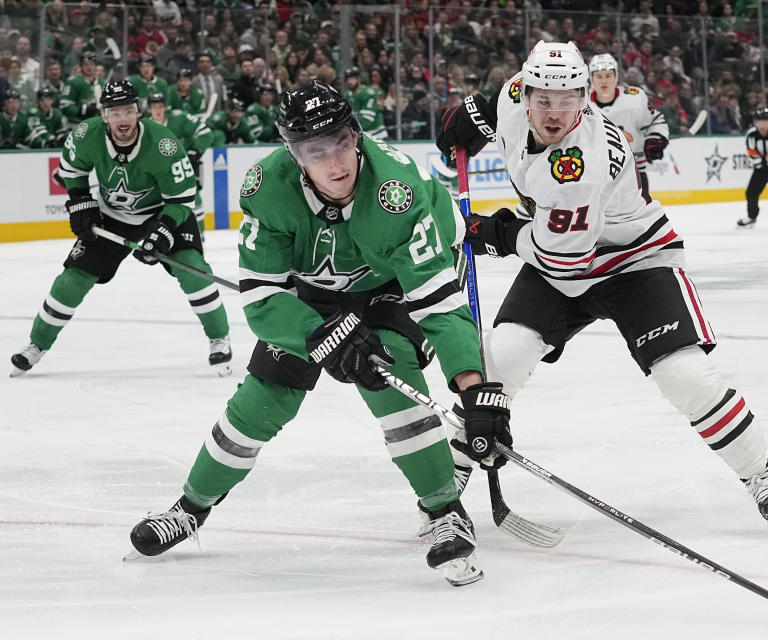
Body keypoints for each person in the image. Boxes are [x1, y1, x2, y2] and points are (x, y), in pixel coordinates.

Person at [125, 81, 508, 587]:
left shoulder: (400, 189)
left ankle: (445, 512)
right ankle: (189, 509)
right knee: (260, 402)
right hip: (311, 299)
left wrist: (473, 387)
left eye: (341, 142)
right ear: (293, 152)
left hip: (391, 287)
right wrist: (317, 333)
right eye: (313, 150)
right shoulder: (268, 187)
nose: (334, 163)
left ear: (356, 135)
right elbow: (262, 297)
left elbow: (438, 302)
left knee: (391, 373)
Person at [436, 41, 768, 532]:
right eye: (542, 97)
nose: (552, 111)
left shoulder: (579, 167)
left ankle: (759, 473)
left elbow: (563, 263)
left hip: (636, 260)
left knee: (685, 374)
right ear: (525, 91)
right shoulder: (514, 96)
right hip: (558, 247)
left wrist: (498, 233)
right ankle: (443, 494)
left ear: (585, 97)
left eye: (566, 100)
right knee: (497, 359)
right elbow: (492, 105)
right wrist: (470, 116)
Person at [10, 81, 232, 377]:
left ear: (138, 112)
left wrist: (163, 230)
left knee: (192, 268)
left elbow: (182, 199)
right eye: (115, 113)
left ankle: (219, 338)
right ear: (104, 116)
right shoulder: (85, 135)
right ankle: (36, 344)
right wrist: (80, 202)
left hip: (163, 213)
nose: (122, 119)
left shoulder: (163, 144)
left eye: (127, 111)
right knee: (72, 278)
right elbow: (71, 171)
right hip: (113, 216)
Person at [587, 53, 669, 202]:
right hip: (594, 177)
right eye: (598, 76)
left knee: (640, 221)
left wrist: (655, 138)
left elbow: (656, 121)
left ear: (616, 77)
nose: (604, 80)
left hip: (634, 172)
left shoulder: (635, 98)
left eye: (608, 75)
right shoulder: (581, 103)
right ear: (591, 79)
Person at [146, 92, 214, 233]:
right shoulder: (144, 127)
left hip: (182, 167)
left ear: (165, 108)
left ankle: (199, 234)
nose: (157, 110)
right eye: (154, 107)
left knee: (193, 198)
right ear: (149, 109)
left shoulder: (180, 118)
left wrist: (196, 151)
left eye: (160, 106)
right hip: (158, 173)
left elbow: (205, 132)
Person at [60, 51, 104, 123]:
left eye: (92, 64)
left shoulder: (102, 82)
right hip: (77, 123)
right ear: (81, 66)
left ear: (96, 66)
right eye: (86, 64)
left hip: (98, 122)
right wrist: (81, 110)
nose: (89, 67)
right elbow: (64, 106)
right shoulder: (73, 82)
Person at [344, 66, 387, 139]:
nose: (349, 82)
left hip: (376, 134)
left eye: (352, 79)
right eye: (347, 79)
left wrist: (352, 130)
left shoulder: (368, 93)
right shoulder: (347, 94)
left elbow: (367, 118)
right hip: (361, 134)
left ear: (358, 79)